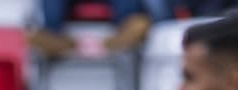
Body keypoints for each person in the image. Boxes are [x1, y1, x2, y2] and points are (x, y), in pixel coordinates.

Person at [30, 0, 170, 59]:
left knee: (139, 22)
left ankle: (79, 45)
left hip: (122, 33)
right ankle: (68, 43)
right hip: (58, 35)